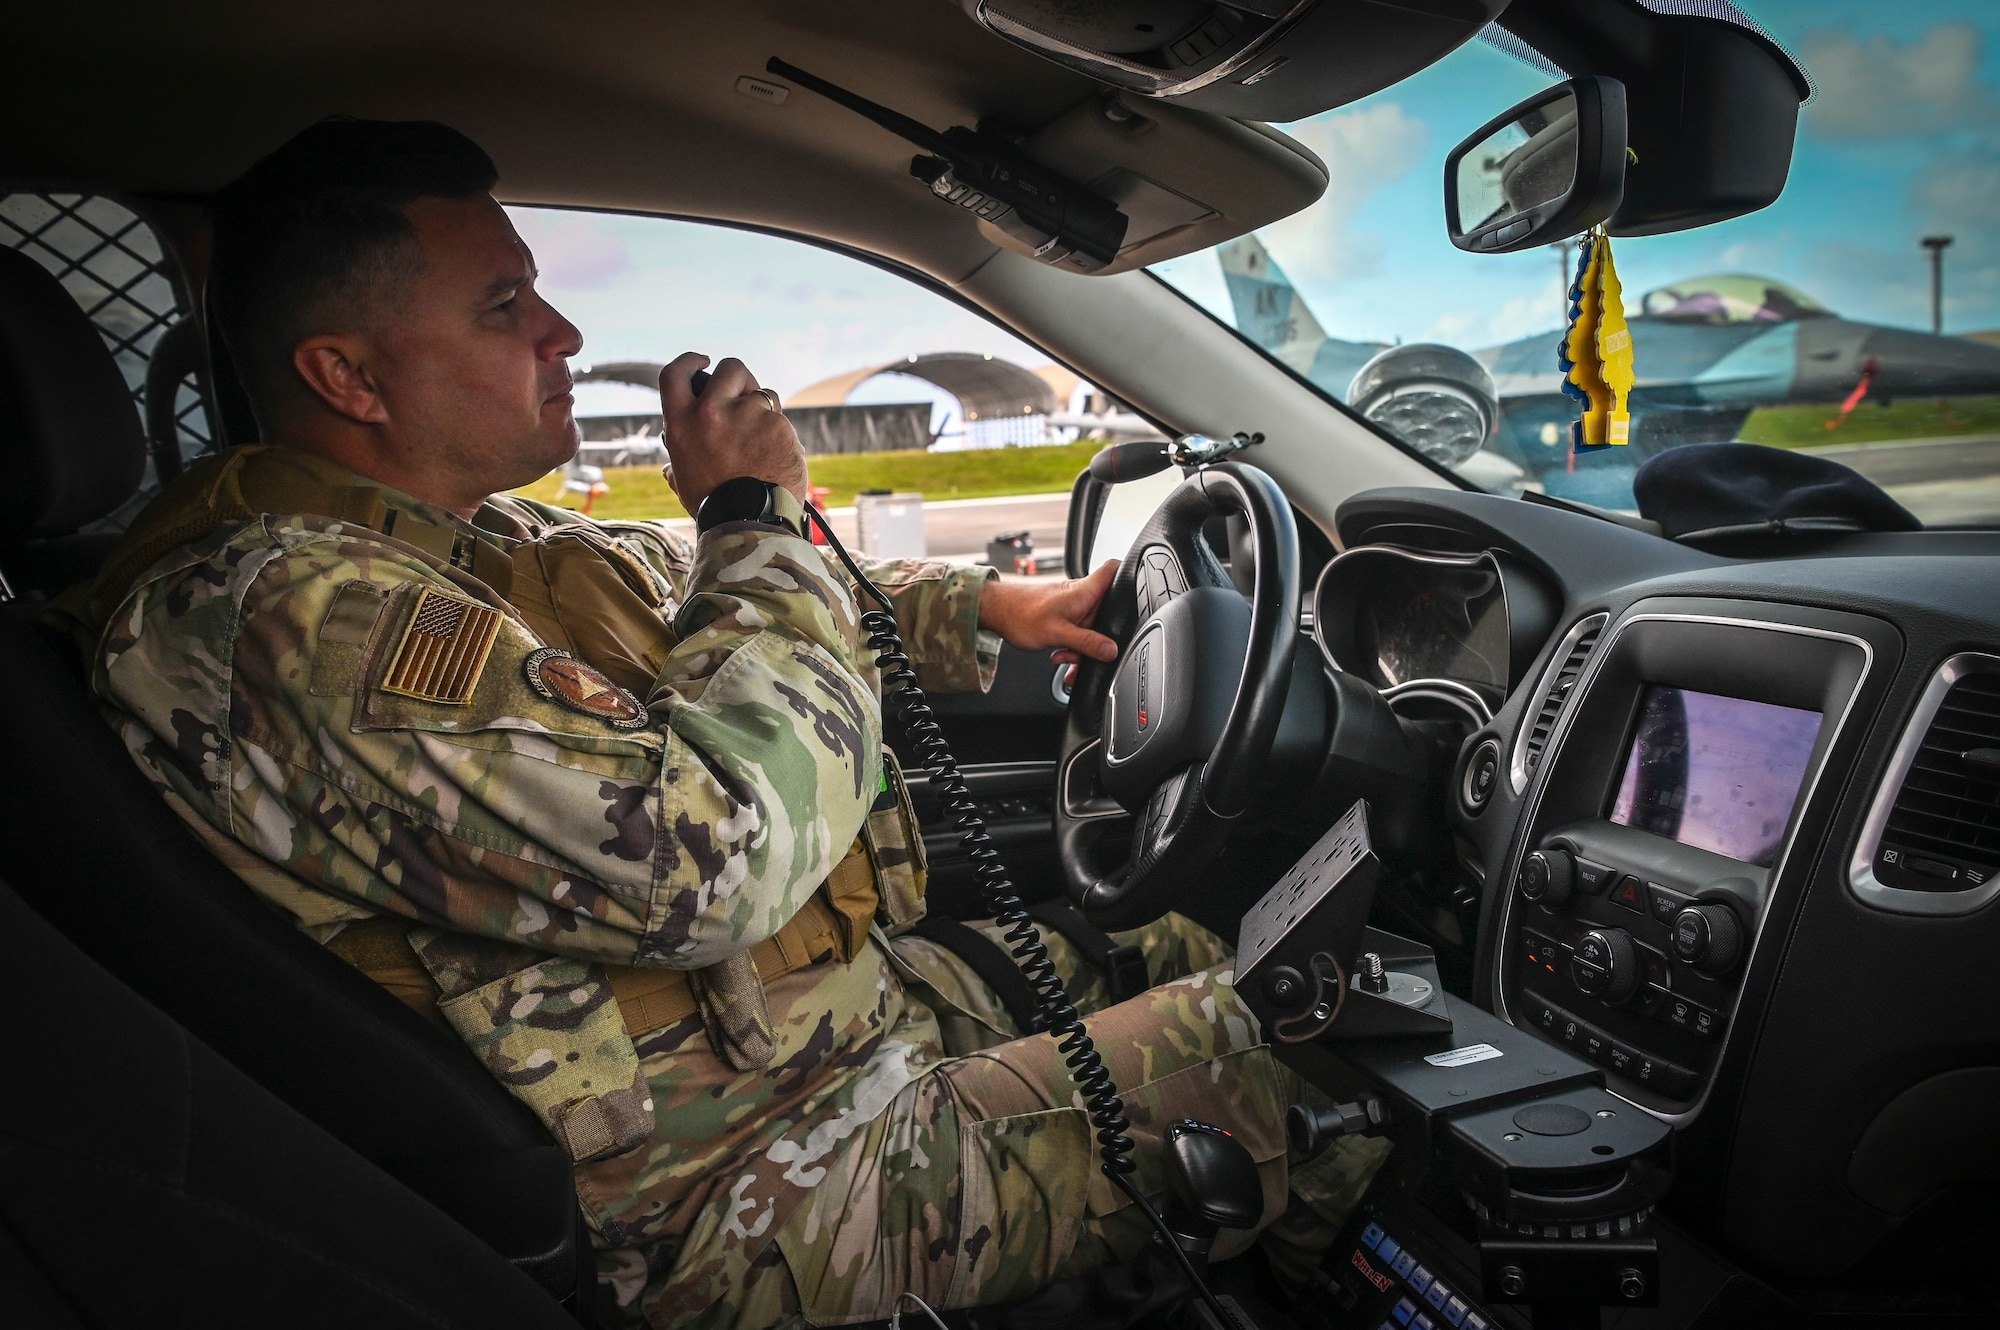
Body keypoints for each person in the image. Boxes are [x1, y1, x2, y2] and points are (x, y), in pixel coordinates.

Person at [57, 119, 1387, 1327]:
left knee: (1198, 942)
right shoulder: (290, 620)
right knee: (1323, 1051)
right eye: (507, 304)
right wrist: (754, 513)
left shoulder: (461, 544)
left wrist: (985, 604)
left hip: (795, 1045)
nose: (562, 332)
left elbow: (678, 596)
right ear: (348, 374)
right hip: (725, 1198)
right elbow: (713, 856)